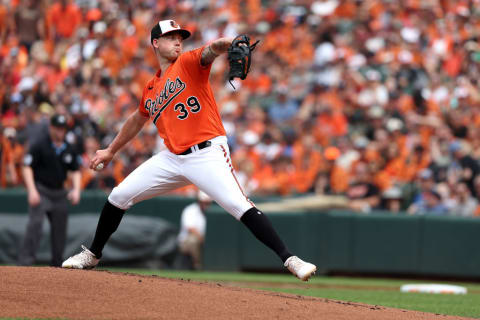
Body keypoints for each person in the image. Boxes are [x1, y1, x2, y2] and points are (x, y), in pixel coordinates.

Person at [61, 19, 316, 281]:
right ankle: (93, 254)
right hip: (172, 158)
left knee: (239, 205)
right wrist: (110, 150)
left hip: (206, 154)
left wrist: (232, 43)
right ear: (156, 43)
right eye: (171, 37)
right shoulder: (150, 88)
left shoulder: (188, 63)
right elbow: (138, 119)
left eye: (180, 37)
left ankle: (290, 259)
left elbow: (212, 49)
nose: (178, 41)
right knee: (118, 196)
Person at [18, 114, 82, 267]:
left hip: (60, 192)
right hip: (42, 190)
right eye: (57, 128)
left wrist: (77, 190)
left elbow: (76, 170)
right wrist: (32, 190)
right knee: (35, 225)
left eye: (63, 129)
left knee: (60, 230)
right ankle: (24, 264)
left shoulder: (68, 148)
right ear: (51, 128)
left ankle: (57, 265)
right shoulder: (40, 145)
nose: (60, 132)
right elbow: (27, 167)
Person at [176, 190, 211, 270]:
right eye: (204, 202)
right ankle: (197, 265)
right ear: (199, 201)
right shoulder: (191, 210)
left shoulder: (211, 211)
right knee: (193, 240)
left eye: (208, 203)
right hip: (185, 240)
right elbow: (190, 228)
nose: (206, 205)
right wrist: (202, 238)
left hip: (204, 239)